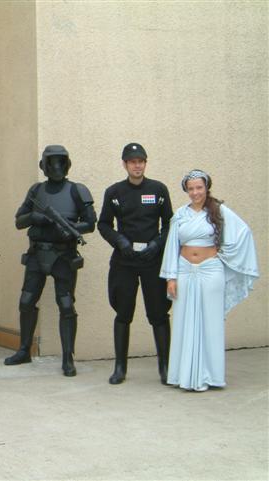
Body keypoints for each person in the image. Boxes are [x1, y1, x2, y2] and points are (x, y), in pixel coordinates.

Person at [160, 169, 258, 392]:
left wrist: (224, 254)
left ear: (206, 188)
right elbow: (172, 246)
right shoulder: (180, 215)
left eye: (199, 187)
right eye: (191, 188)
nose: (195, 192)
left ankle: (211, 376)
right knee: (184, 320)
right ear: (186, 190)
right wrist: (171, 277)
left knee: (211, 322)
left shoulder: (219, 211)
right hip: (185, 270)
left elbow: (243, 232)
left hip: (211, 270)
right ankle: (183, 375)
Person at [4, 145, 96, 376]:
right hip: (37, 254)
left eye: (60, 162)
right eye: (51, 162)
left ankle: (68, 357)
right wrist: (36, 217)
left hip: (64, 255)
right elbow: (19, 221)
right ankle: (24, 350)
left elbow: (91, 223)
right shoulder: (36, 191)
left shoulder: (77, 191)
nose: (55, 167)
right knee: (26, 301)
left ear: (67, 164)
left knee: (66, 304)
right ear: (44, 165)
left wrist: (71, 227)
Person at [98, 142, 173, 385]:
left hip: (153, 261)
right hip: (125, 261)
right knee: (123, 313)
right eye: (132, 162)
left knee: (159, 314)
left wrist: (157, 244)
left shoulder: (158, 190)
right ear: (125, 164)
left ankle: (165, 367)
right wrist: (120, 241)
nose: (137, 166)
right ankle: (120, 368)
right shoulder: (114, 192)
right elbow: (103, 224)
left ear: (145, 163)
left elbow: (170, 224)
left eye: (141, 161)